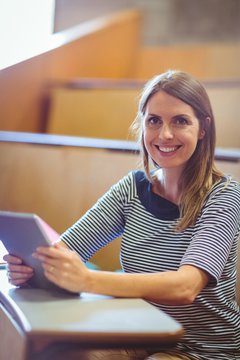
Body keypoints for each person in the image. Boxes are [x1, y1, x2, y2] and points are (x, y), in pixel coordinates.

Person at [4, 70, 240, 360]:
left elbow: (186, 287)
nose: (165, 134)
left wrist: (86, 280)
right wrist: (33, 267)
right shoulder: (132, 188)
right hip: (138, 330)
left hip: (206, 349)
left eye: (180, 121)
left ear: (203, 128)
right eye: (154, 121)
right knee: (65, 354)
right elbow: (64, 250)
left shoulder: (224, 196)